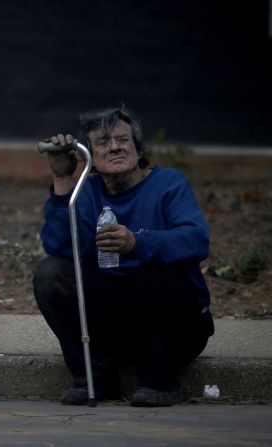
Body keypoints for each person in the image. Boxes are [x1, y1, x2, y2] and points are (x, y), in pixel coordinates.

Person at [32, 107, 214, 407]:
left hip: (177, 330)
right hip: (117, 328)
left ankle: (161, 380)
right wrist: (64, 179)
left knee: (156, 271)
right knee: (51, 274)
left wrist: (138, 242)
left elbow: (196, 240)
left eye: (122, 140)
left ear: (137, 148)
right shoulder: (87, 191)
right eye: (103, 142)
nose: (114, 147)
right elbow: (61, 248)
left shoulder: (168, 182)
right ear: (89, 156)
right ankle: (95, 377)